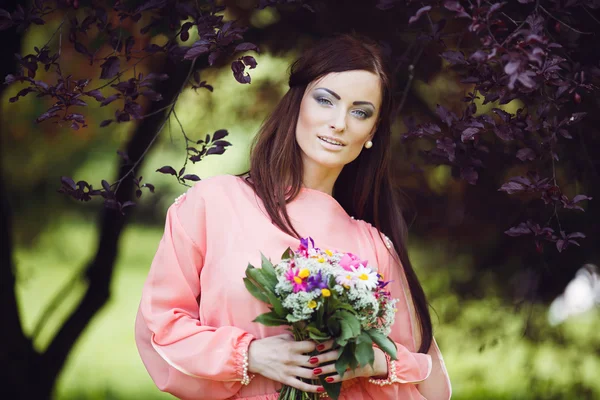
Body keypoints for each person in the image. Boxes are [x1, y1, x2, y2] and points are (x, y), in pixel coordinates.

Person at [135, 33, 452, 400]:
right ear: (297, 102)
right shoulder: (215, 203)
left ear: (372, 132)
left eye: (360, 112)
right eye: (325, 100)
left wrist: (374, 363)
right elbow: (160, 327)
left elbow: (432, 388)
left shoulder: (374, 246)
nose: (339, 123)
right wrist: (250, 355)